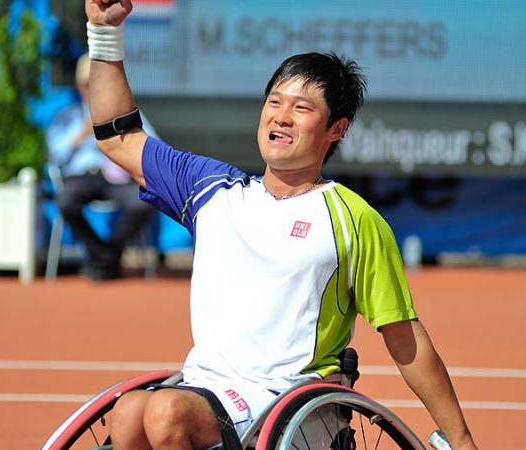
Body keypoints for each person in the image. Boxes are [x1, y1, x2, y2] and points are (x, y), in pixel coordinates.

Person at [84, 1, 478, 449]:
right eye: (274, 101)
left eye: (302, 108)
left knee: (164, 412)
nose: (281, 116)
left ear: (336, 129)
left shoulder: (353, 220)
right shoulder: (213, 191)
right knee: (129, 411)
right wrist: (104, 31)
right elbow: (118, 137)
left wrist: (460, 438)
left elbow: (404, 338)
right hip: (203, 387)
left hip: (288, 401)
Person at [46, 53, 156, 281]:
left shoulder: (126, 112)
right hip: (82, 176)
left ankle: (103, 257)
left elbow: (154, 148)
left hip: (117, 177)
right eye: (88, 85)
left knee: (143, 202)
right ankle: (107, 257)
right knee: (65, 200)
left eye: (97, 83)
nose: (93, 89)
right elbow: (54, 156)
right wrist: (80, 135)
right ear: (79, 87)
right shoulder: (67, 117)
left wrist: (129, 142)